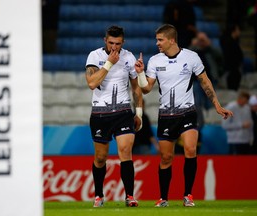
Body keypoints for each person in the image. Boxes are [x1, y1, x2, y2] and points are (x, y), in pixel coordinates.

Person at [134, 24, 233, 207]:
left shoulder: (191, 57)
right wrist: (140, 74)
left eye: (160, 40)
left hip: (187, 112)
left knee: (190, 149)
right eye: (157, 40)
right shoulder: (155, 60)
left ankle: (188, 195)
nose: (157, 43)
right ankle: (163, 198)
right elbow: (146, 89)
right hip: (166, 115)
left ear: (172, 40)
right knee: (166, 158)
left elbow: (205, 82)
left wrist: (217, 105)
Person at [85, 25, 143, 207]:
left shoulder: (129, 57)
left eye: (118, 44)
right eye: (111, 43)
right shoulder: (95, 56)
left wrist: (139, 112)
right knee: (101, 158)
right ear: (105, 41)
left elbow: (136, 88)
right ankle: (99, 195)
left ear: (123, 42)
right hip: (100, 113)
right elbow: (92, 83)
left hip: (123, 112)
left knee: (126, 151)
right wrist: (109, 63)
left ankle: (129, 196)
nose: (114, 47)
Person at [222, 90, 253, 155]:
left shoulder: (247, 108)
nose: (244, 103)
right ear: (239, 98)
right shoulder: (230, 107)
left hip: (246, 140)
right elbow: (225, 125)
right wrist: (241, 125)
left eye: (245, 101)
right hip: (234, 140)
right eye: (243, 101)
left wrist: (251, 137)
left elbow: (250, 124)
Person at [220, 23, 244, 91]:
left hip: (235, 69)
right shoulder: (229, 42)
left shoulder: (235, 41)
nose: (239, 32)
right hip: (231, 69)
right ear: (234, 31)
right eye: (238, 30)